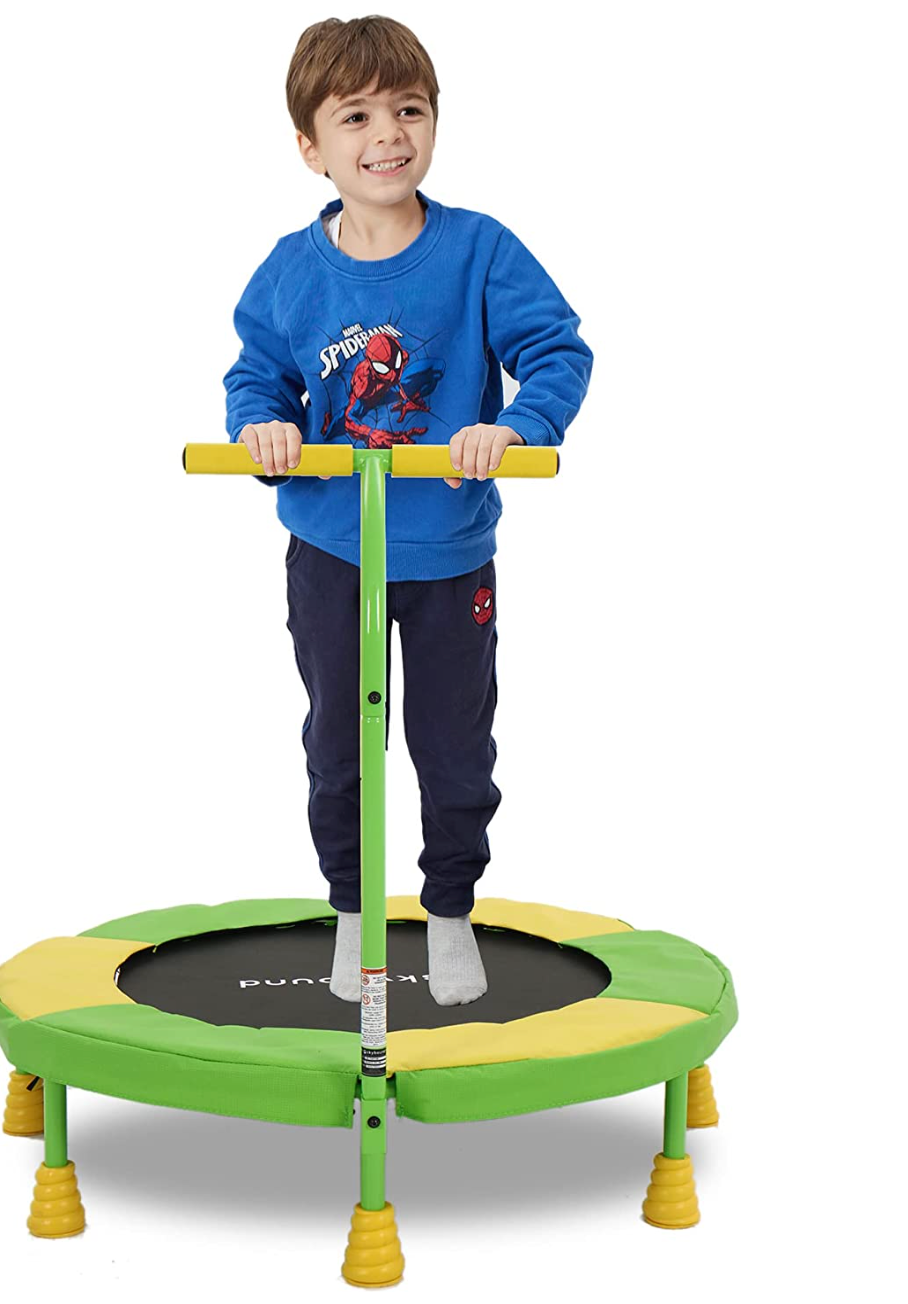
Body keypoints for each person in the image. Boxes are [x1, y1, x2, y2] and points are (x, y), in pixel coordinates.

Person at [222, 15, 593, 1007]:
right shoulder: (290, 270)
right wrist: (262, 428)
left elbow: (556, 350)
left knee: (453, 744)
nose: (387, 133)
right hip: (331, 548)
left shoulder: (479, 250)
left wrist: (514, 427)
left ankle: (449, 910)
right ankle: (353, 910)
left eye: (408, 110)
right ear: (311, 146)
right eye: (355, 116)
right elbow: (256, 374)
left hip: (447, 551)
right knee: (339, 744)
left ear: (433, 122)